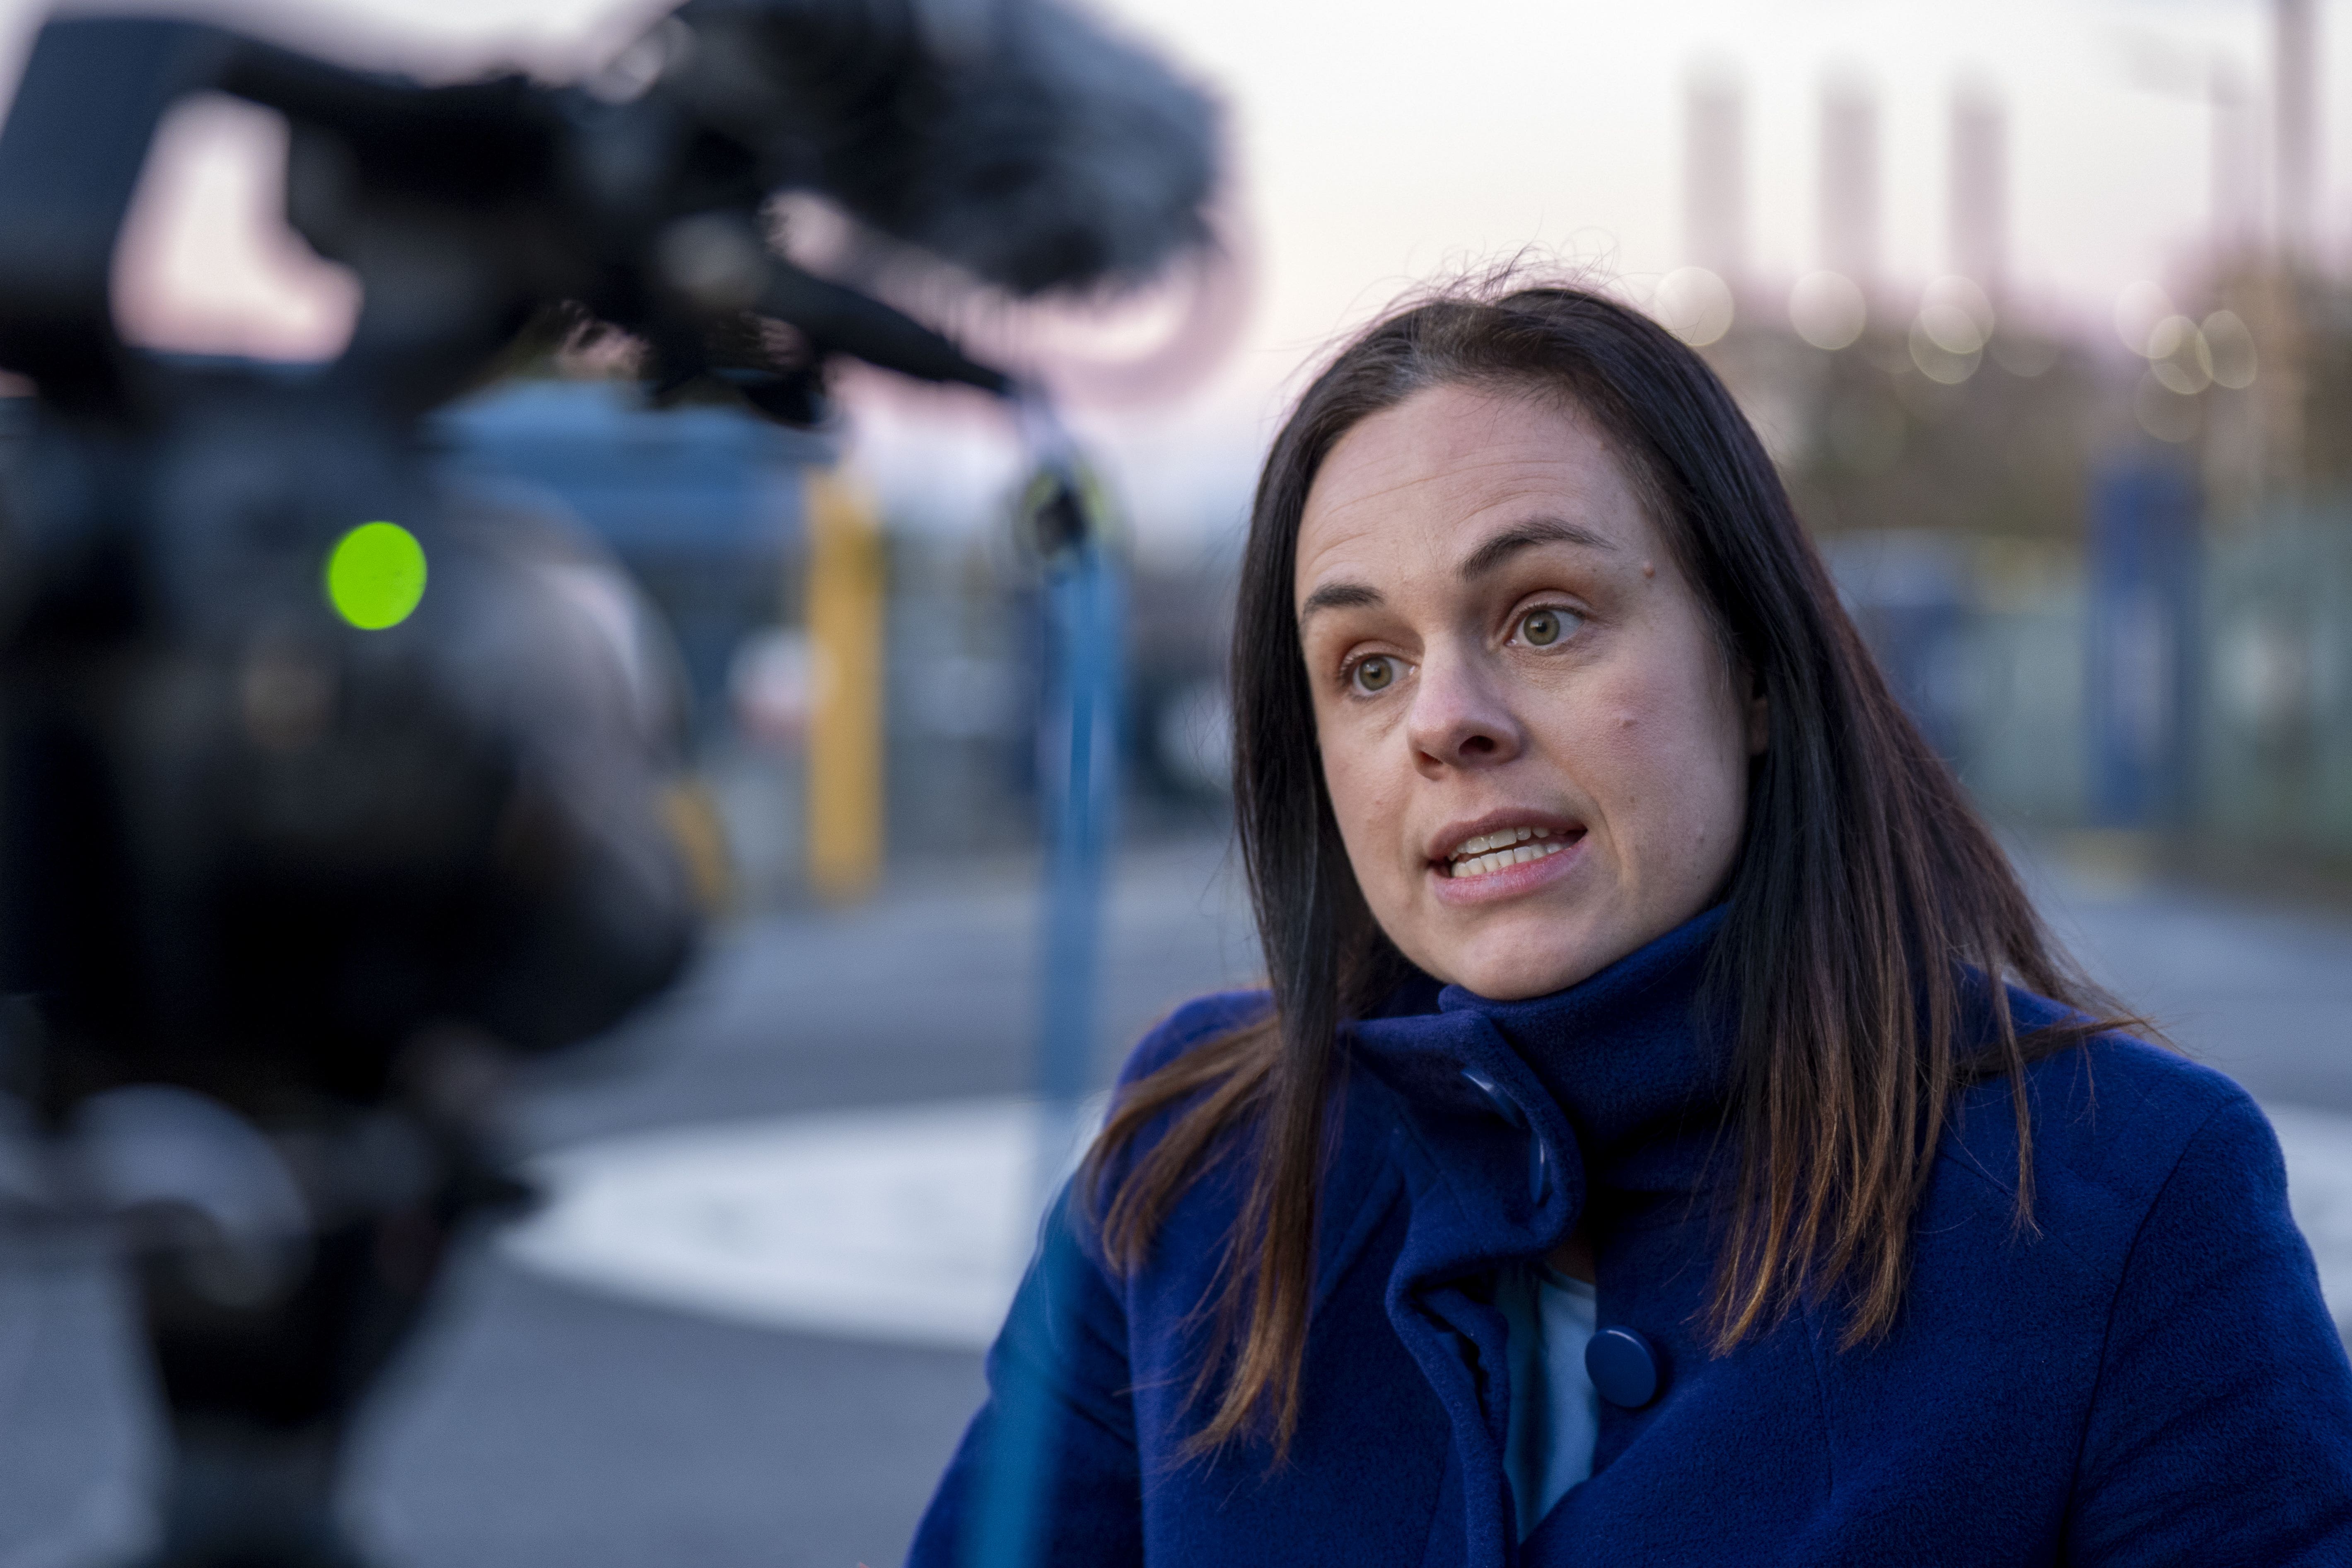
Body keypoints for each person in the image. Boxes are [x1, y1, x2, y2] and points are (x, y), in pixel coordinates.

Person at [908, 282, 2352, 1566]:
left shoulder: (2131, 1195)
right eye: (1365, 665)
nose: (1445, 722)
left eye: (1544, 618)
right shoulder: (1187, 1176)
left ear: (1762, 669)